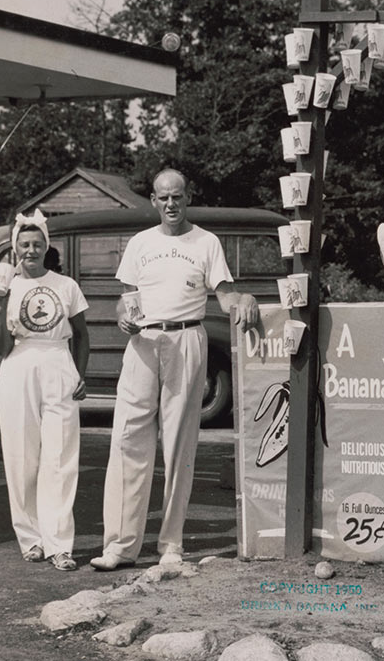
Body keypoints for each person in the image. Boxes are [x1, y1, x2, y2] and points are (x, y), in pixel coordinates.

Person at [90, 169, 259, 571]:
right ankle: (120, 546)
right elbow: (125, 300)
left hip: (187, 339)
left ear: (187, 199)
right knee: (129, 439)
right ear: (153, 200)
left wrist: (246, 297)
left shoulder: (206, 242)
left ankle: (171, 544)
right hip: (144, 343)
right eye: (164, 197)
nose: (171, 204)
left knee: (180, 445)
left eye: (178, 197)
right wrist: (122, 319)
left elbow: (224, 295)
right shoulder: (139, 243)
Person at [0, 209, 89, 571]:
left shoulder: (66, 285)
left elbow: (82, 334)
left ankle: (60, 544)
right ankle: (30, 538)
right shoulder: (7, 288)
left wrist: (81, 374)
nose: (30, 250)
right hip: (18, 368)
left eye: (36, 244)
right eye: (23, 245)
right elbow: (2, 348)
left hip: (59, 363)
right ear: (15, 249)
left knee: (60, 457)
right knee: (21, 456)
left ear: (47, 246)